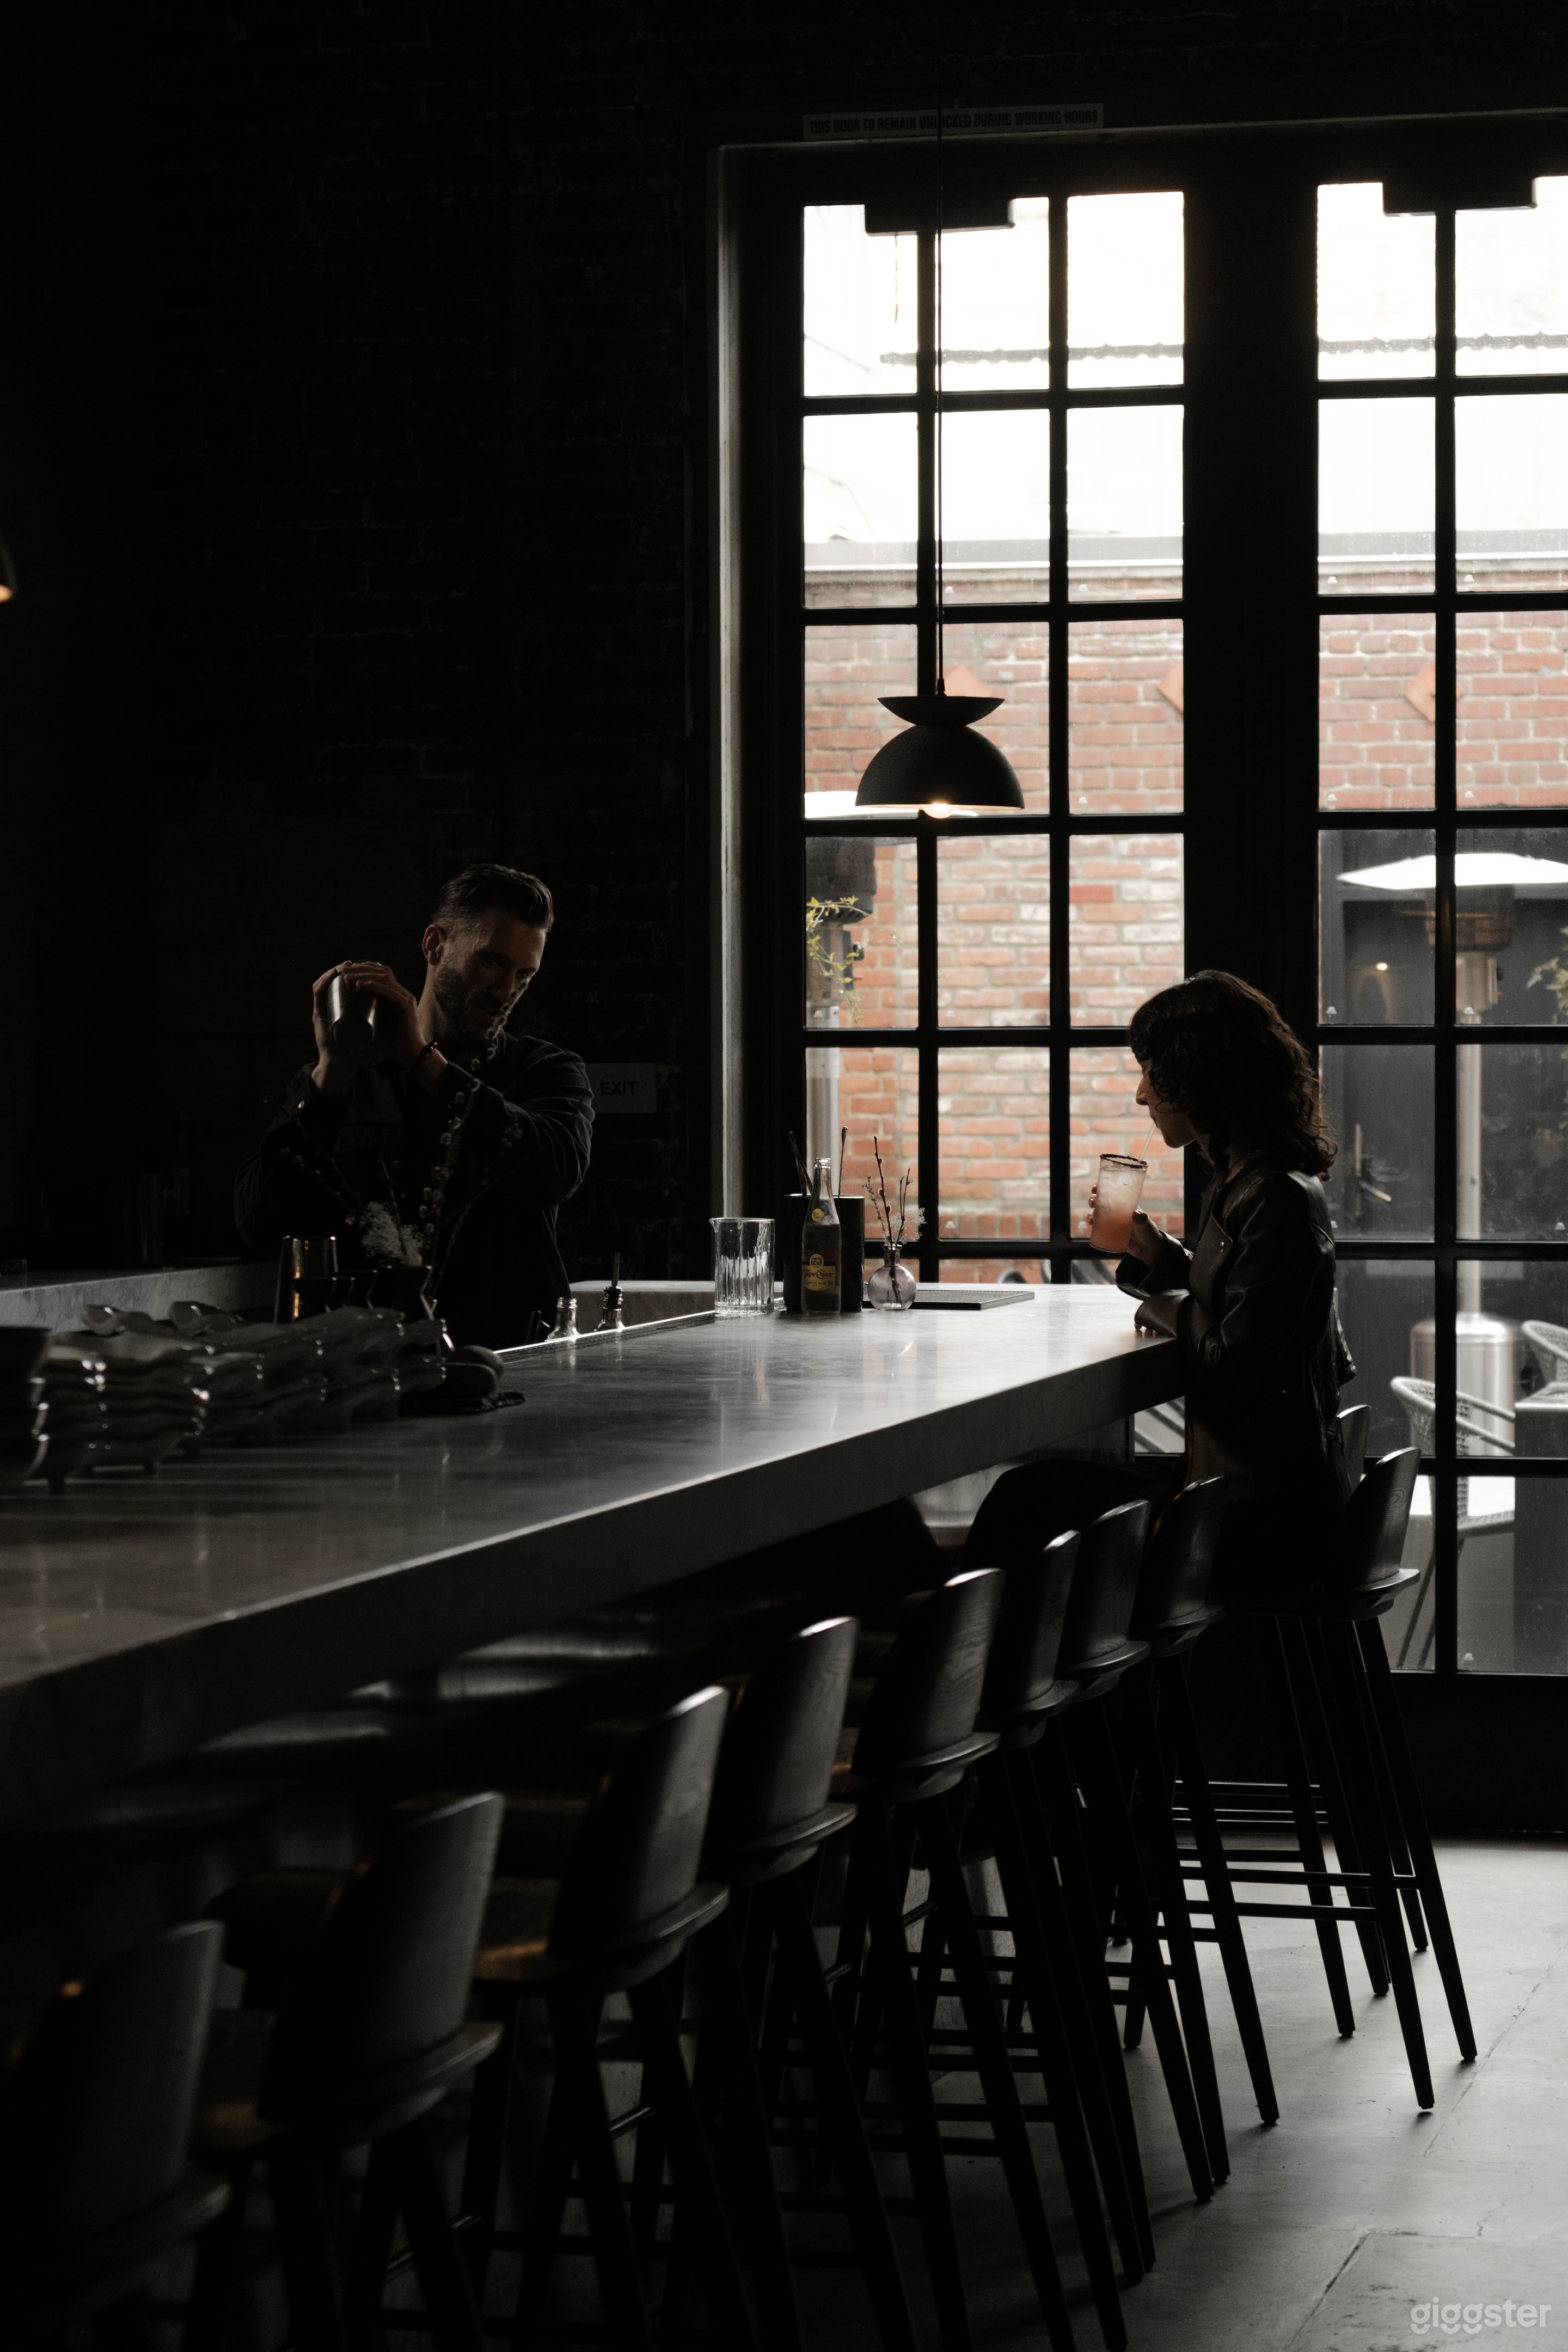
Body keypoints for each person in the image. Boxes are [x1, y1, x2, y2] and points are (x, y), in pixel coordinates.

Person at [967, 970, 1356, 1597]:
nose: (1142, 1095)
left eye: (1150, 1071)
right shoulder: (1247, 1183)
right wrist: (1159, 1255)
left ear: (1198, 1077)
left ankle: (975, 1674)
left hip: (1260, 1523)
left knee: (1026, 1501)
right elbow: (1239, 1309)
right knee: (1033, 1499)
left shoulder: (1275, 1197)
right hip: (1258, 1495)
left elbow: (1235, 1362)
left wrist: (1167, 1304)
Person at [236, 863, 594, 1349]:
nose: (506, 992)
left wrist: (423, 1062)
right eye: (491, 962)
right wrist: (331, 1076)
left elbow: (554, 1172)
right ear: (434, 945)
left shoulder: (544, 1072)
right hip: (369, 1372)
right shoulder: (343, 1080)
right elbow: (261, 1225)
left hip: (504, 1370)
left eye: (524, 975)